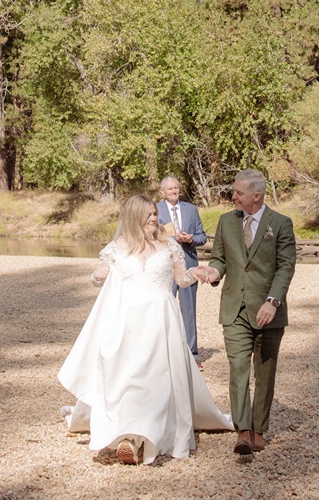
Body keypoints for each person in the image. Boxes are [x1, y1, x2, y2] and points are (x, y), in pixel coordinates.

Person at [58, 195, 232, 464]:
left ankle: (149, 435)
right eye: (148, 215)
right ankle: (127, 436)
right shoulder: (117, 248)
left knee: (157, 377)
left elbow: (179, 280)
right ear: (135, 217)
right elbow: (96, 278)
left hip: (161, 319)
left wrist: (194, 273)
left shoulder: (168, 245)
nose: (154, 218)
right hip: (127, 322)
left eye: (154, 214)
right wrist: (98, 276)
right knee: (127, 377)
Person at [197, 169, 296, 456]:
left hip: (269, 312)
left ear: (257, 195)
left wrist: (273, 300)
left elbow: (285, 266)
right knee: (238, 368)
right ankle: (242, 430)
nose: (233, 196)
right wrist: (212, 272)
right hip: (234, 309)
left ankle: (258, 429)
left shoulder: (280, 224)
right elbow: (219, 259)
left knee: (265, 373)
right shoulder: (227, 221)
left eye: (238, 193)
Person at [157, 175, 209, 357]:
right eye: (170, 189)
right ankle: (164, 353)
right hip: (164, 267)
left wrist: (191, 239)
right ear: (162, 191)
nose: (174, 191)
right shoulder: (155, 210)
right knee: (164, 310)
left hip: (188, 264)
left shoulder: (191, 210)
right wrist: (173, 239)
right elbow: (151, 236)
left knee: (188, 310)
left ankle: (191, 354)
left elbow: (203, 236)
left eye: (176, 188)